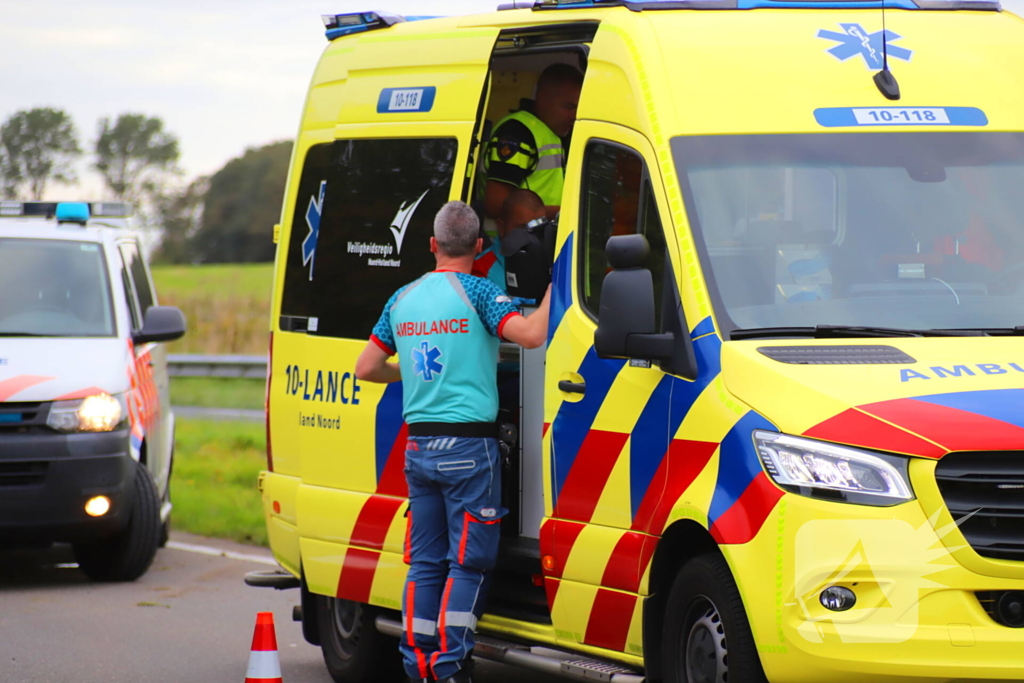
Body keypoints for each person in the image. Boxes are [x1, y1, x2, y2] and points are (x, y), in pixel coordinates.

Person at [355, 201, 551, 683]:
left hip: (419, 450)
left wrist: (409, 376)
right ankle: (448, 667)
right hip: (469, 452)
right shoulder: (481, 293)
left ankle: (418, 664)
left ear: (432, 245)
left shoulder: (402, 298)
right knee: (467, 565)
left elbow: (365, 368)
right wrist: (553, 290)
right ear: (479, 247)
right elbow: (529, 336)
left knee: (424, 563)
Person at [482, 63, 583, 220]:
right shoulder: (517, 134)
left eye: (578, 107)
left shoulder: (554, 132)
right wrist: (562, 213)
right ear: (542, 99)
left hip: (540, 238)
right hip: (512, 241)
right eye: (568, 106)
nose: (574, 115)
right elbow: (496, 205)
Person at [473, 189, 546, 291]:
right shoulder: (481, 270)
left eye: (539, 229)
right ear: (501, 227)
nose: (532, 237)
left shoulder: (554, 261)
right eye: (524, 229)